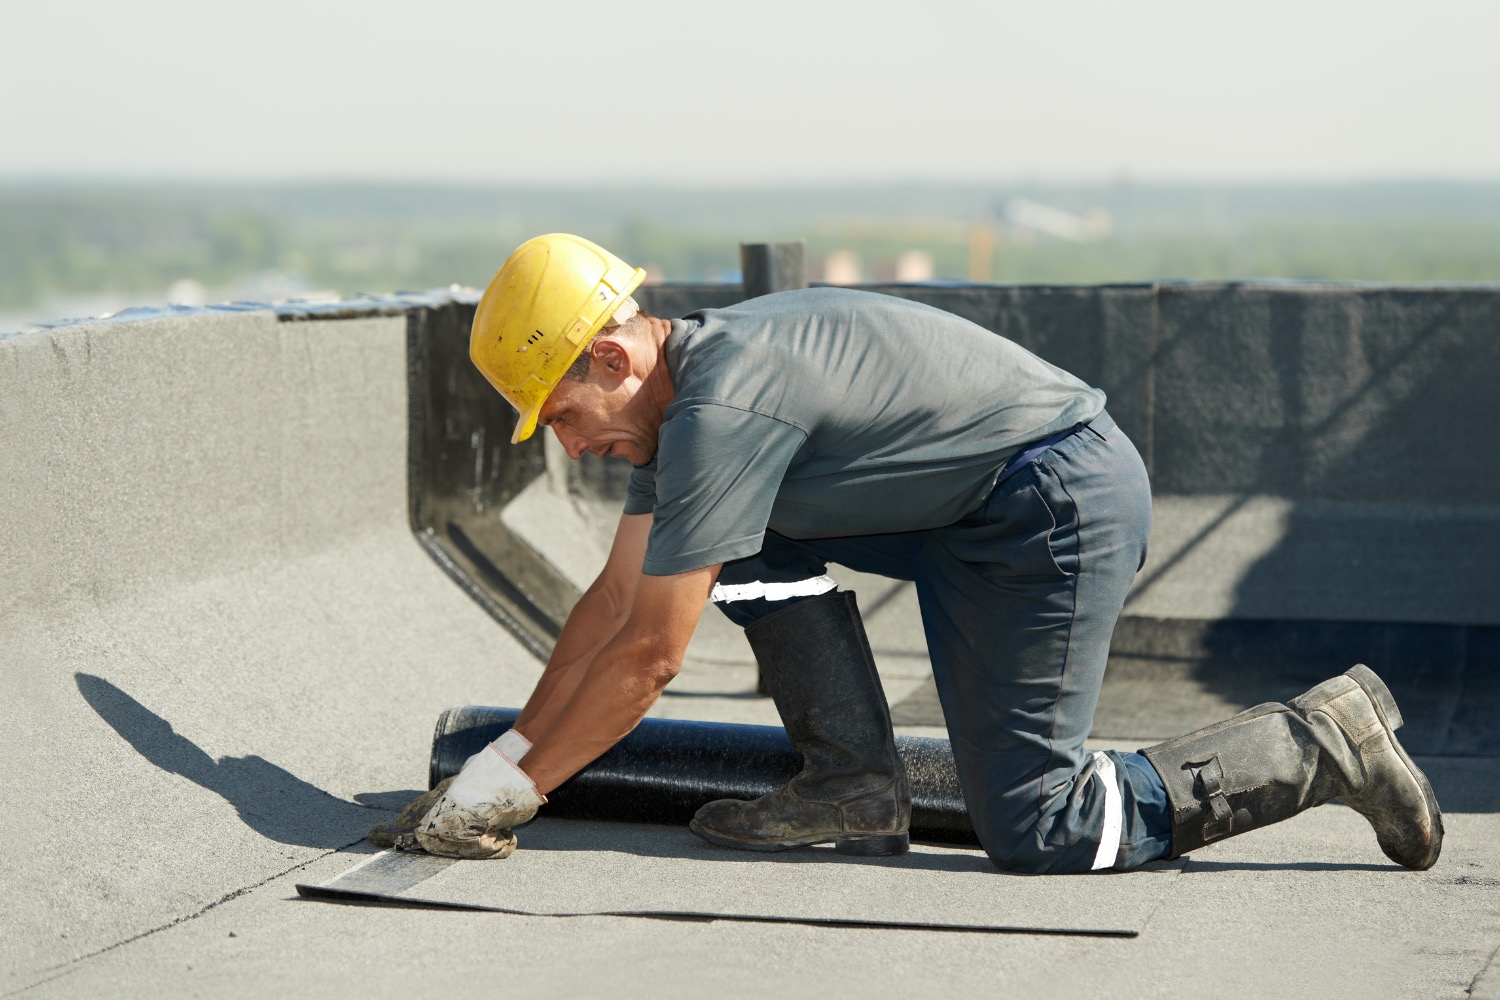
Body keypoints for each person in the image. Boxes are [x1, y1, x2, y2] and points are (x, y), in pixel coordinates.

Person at [378, 233, 1442, 875]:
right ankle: (852, 780)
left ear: (612, 353)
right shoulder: (677, 419)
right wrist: (501, 761)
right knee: (726, 544)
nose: (571, 446)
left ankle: (1313, 746)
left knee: (1040, 826)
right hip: (973, 511)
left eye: (566, 415)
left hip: (1052, 505)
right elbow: (613, 609)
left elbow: (650, 659)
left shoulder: (723, 406)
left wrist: (513, 796)